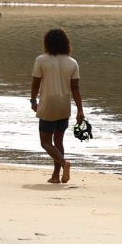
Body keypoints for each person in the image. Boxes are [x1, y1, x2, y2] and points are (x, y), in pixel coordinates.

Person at [30, 28, 84, 183]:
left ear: (47, 42)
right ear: (65, 43)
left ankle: (63, 163)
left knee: (45, 142)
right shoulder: (72, 62)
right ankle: (55, 176)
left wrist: (33, 100)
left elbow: (36, 83)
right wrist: (80, 110)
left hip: (48, 104)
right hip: (64, 105)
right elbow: (75, 89)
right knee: (58, 141)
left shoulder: (41, 60)